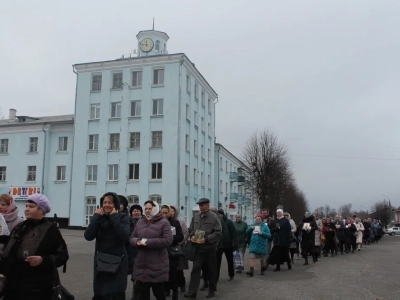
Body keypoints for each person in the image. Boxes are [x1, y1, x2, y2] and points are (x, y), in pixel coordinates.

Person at [0, 193, 69, 299]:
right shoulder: (21, 226)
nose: (27, 209)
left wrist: (43, 259)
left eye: (31, 207)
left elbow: (63, 255)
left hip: (38, 286)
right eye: (26, 206)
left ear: (41, 210)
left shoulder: (50, 229)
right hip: (14, 283)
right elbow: (10, 245)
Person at [84, 192, 130, 300]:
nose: (107, 205)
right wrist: (95, 217)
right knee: (101, 292)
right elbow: (88, 236)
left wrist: (114, 217)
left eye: (110, 202)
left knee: (114, 293)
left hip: (118, 263)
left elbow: (125, 235)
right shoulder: (100, 218)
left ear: (116, 205)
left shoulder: (123, 217)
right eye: (104, 202)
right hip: (101, 263)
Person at [130, 200, 172, 300]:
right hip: (141, 264)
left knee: (159, 293)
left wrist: (147, 242)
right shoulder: (140, 222)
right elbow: (132, 237)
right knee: (143, 294)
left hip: (157, 265)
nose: (147, 211)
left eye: (150, 208)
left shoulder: (164, 222)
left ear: (155, 209)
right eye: (146, 209)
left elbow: (168, 240)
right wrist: (137, 241)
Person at [184, 198, 221, 299]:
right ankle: (192, 292)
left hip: (210, 248)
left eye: (203, 205)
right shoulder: (196, 217)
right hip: (198, 248)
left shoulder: (214, 217)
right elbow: (191, 229)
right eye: (200, 205)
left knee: (212, 270)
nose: (201, 207)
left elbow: (218, 232)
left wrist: (207, 239)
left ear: (208, 206)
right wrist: (192, 236)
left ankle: (212, 290)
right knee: (195, 269)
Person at [161, 205, 183, 300]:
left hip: (172, 252)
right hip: (161, 252)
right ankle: (166, 290)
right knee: (163, 273)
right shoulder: (159, 222)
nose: (164, 215)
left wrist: (170, 239)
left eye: (166, 212)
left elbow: (180, 236)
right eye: (163, 212)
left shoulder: (175, 222)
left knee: (172, 274)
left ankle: (175, 291)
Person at [170, 205, 189, 293]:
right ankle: (169, 288)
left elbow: (185, 234)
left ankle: (182, 284)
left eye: (172, 211)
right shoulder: (164, 221)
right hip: (168, 248)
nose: (171, 213)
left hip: (179, 248)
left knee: (179, 269)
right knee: (169, 269)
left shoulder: (180, 222)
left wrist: (178, 243)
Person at [216, 209, 238, 281]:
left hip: (228, 244)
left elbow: (234, 233)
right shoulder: (216, 221)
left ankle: (231, 275)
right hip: (219, 245)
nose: (218, 216)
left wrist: (235, 242)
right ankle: (216, 277)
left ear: (222, 214)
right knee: (217, 261)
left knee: (230, 260)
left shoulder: (229, 222)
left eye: (219, 214)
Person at [129, 204, 143, 300]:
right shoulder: (128, 222)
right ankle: (136, 294)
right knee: (134, 275)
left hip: (141, 251)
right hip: (131, 251)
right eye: (134, 211)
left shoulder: (144, 222)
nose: (136, 212)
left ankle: (136, 294)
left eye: (138, 210)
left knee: (138, 274)